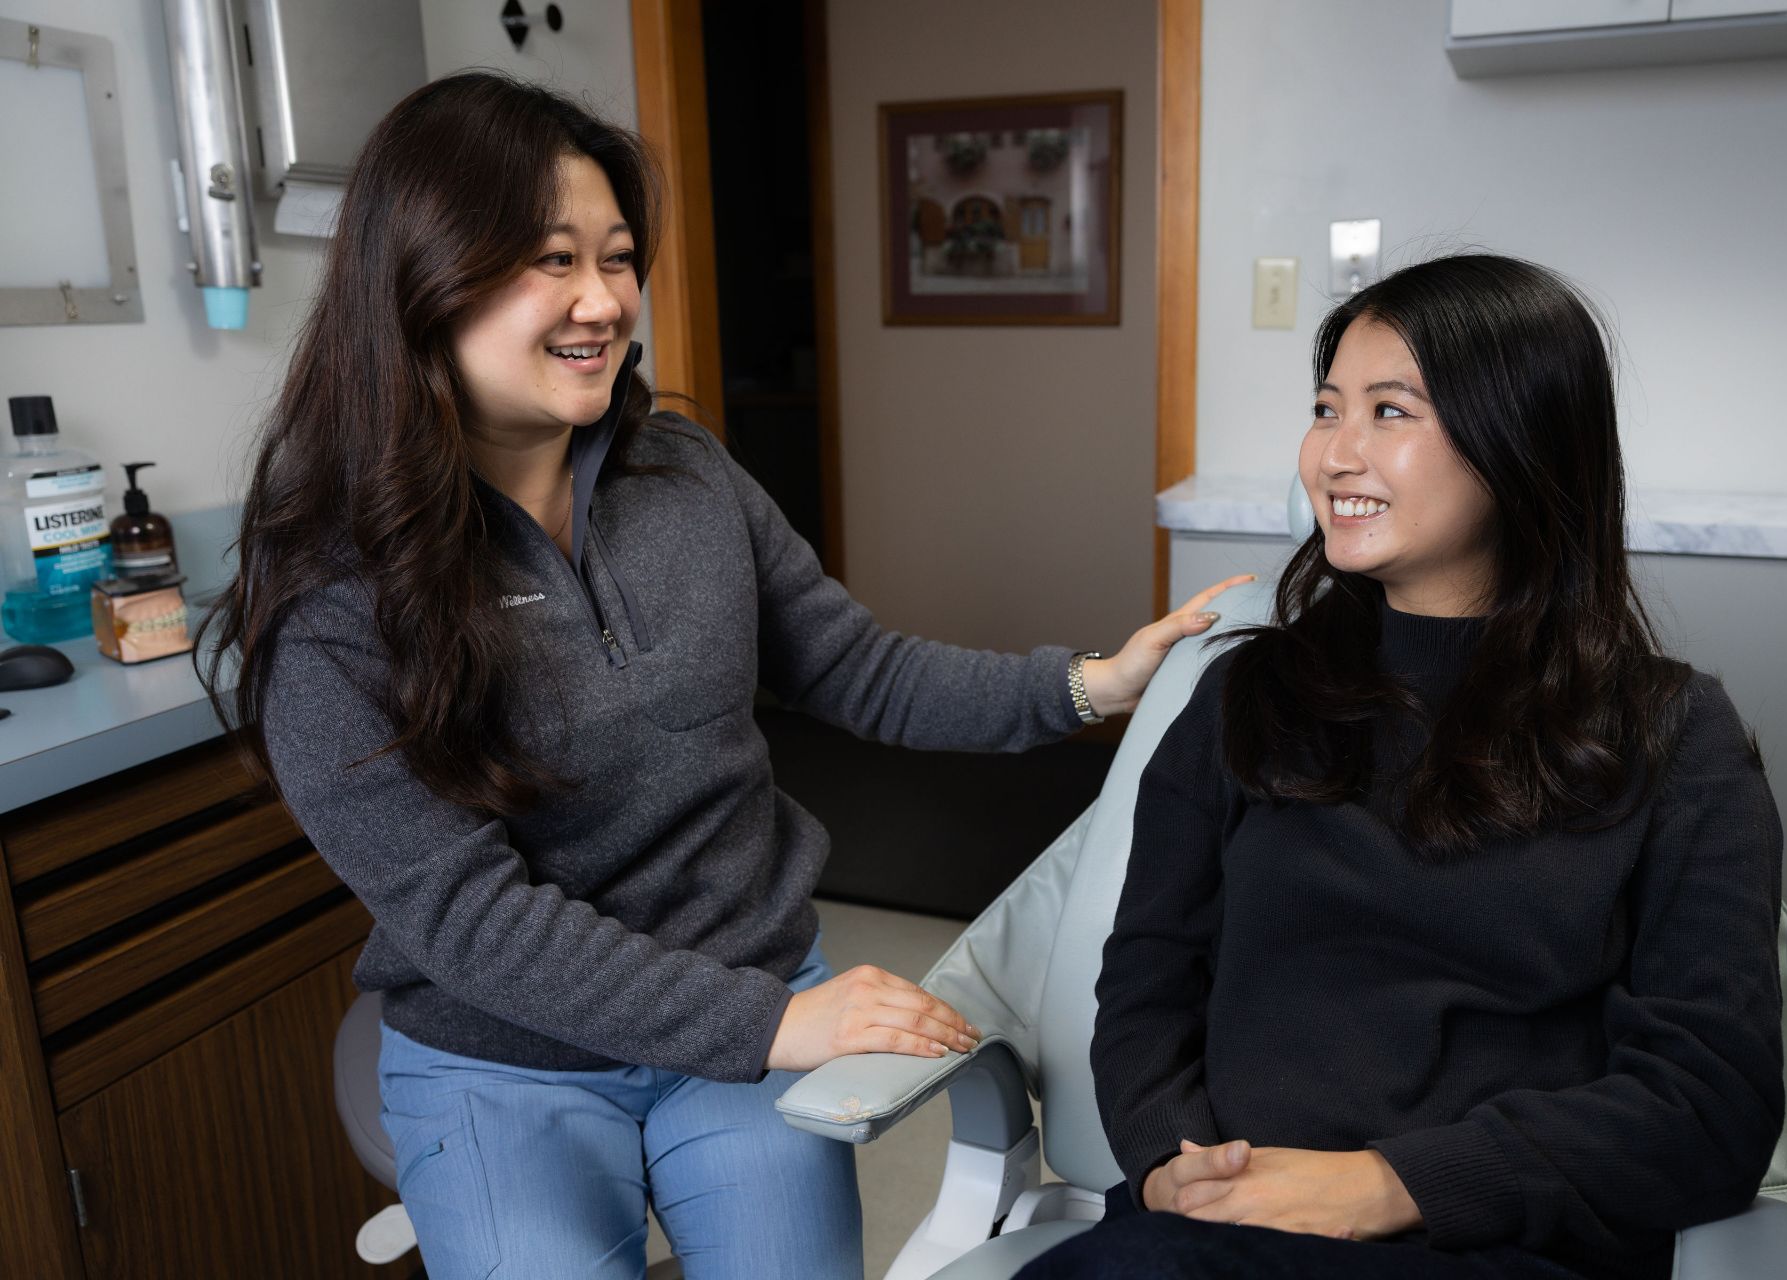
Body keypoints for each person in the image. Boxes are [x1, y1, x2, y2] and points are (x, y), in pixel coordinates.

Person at [199, 71, 1246, 1280]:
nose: (603, 300)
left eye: (618, 255)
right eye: (550, 259)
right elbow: (471, 920)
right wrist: (782, 1024)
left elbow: (855, 664)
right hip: (507, 1049)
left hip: (745, 982)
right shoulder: (334, 589)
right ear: (423, 282)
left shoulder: (684, 474)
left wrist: (1086, 686)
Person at [1020, 255, 1786, 1280]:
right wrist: (1166, 1157)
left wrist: (1389, 1182)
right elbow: (1150, 975)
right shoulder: (1244, 698)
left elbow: (1710, 1104)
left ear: (1522, 439)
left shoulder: (1669, 733)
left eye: (1390, 411)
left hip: (1498, 1246)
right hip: (1208, 1234)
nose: (1336, 452)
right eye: (1326, 407)